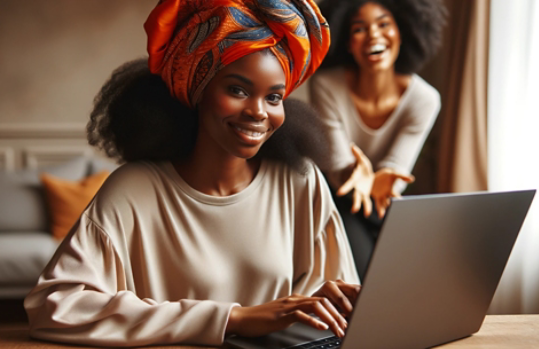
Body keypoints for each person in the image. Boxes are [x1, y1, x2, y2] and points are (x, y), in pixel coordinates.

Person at [23, 0, 360, 347]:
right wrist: (232, 318)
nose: (258, 112)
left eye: (274, 97)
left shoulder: (299, 180)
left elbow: (340, 305)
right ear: (197, 89)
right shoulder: (134, 189)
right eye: (238, 90)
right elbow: (55, 307)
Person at [309, 0, 446, 279]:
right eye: (360, 28)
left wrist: (380, 179)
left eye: (384, 24)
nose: (373, 35)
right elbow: (338, 168)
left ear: (402, 31)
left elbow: (396, 169)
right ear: (347, 42)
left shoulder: (424, 99)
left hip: (385, 198)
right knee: (362, 269)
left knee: (410, 268)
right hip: (338, 194)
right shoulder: (326, 85)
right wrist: (355, 173)